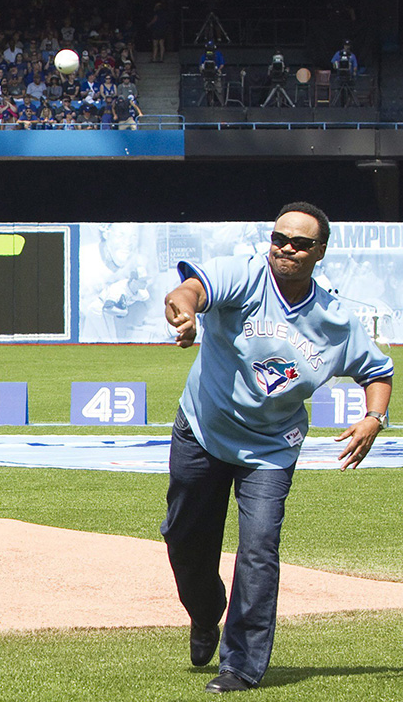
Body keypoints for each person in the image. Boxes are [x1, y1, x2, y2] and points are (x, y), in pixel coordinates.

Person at [161, 201, 392, 693]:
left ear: (320, 252)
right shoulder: (245, 277)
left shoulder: (335, 320)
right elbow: (192, 289)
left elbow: (378, 371)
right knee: (184, 538)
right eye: (278, 238)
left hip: (270, 447)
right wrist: (183, 311)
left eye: (300, 243)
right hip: (203, 428)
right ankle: (205, 615)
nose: (286, 247)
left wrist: (374, 417)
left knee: (260, 548)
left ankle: (241, 664)